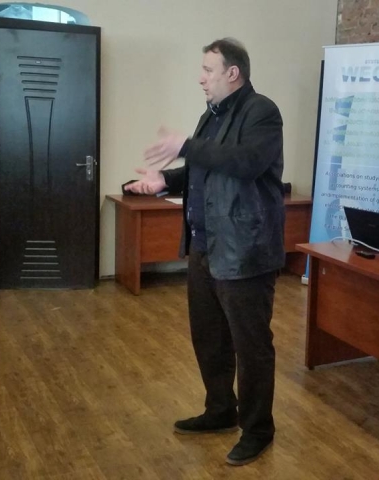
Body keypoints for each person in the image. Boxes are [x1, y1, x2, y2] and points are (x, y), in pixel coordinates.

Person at [125, 38, 285, 466]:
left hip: (245, 251)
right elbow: (205, 167)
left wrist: (185, 145)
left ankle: (258, 429)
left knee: (251, 346)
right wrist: (166, 181)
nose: (201, 78)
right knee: (210, 338)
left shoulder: (262, 112)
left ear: (233, 73)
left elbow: (246, 162)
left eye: (208, 70)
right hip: (204, 246)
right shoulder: (210, 117)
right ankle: (220, 410)